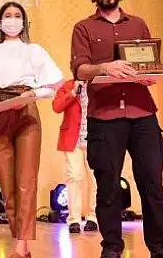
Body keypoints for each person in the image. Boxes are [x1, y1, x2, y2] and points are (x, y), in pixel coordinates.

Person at [70, 0, 163, 258]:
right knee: (108, 187)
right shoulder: (84, 28)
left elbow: (147, 63)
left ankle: (159, 246)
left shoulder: (138, 24)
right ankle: (112, 247)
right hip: (104, 117)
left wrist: (148, 74)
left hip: (142, 114)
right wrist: (106, 67)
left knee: (153, 184)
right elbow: (80, 70)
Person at [0, 1, 63, 258]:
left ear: (24, 21)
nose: (12, 19)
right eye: (8, 15)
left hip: (26, 112)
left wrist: (33, 94)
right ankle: (21, 240)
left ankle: (21, 245)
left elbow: (54, 84)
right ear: (0, 22)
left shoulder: (34, 51)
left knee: (26, 180)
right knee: (6, 183)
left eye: (17, 15)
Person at [52, 79, 98, 234]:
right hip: (73, 139)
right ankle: (74, 220)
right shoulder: (68, 86)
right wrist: (72, 92)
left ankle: (93, 217)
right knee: (74, 177)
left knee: (95, 179)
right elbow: (57, 107)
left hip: (95, 138)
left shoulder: (98, 84)